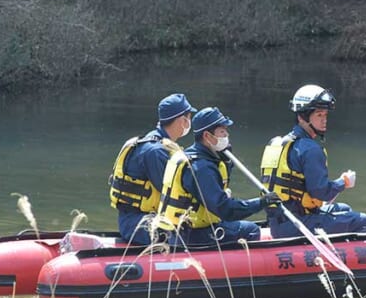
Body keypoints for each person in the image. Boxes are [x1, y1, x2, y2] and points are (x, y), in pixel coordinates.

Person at [260, 85, 366, 238]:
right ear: (302, 117)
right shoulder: (311, 149)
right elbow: (321, 193)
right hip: (298, 224)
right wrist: (343, 182)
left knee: (345, 208)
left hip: (279, 223)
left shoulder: (277, 142)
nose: (324, 120)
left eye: (325, 115)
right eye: (319, 115)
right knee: (365, 222)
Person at [156, 106, 279, 248]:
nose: (226, 135)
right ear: (207, 136)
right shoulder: (201, 168)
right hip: (191, 235)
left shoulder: (194, 156)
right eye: (222, 132)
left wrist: (226, 161)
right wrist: (261, 202)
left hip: (175, 231)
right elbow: (226, 210)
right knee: (250, 230)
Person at [108, 93, 196, 245]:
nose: (190, 122)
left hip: (140, 219)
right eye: (189, 117)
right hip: (139, 223)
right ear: (182, 120)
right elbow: (173, 194)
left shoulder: (157, 144)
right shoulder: (156, 152)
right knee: (190, 238)